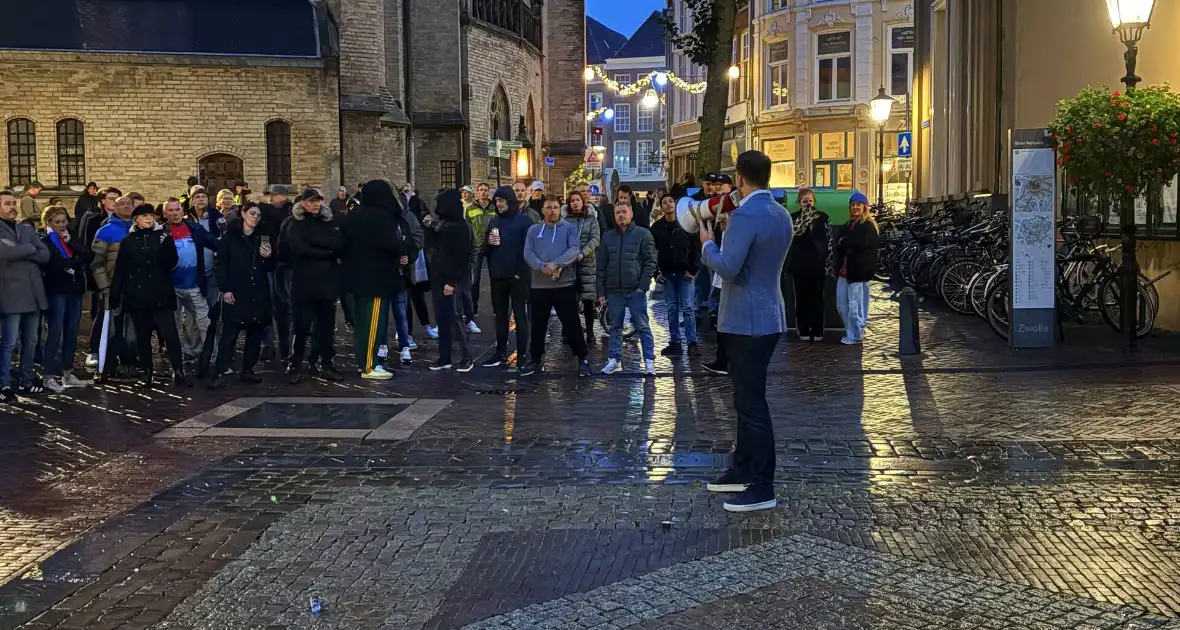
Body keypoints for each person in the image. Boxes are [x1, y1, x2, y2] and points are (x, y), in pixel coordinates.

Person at [700, 150, 792, 513]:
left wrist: (708, 244)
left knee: (751, 405)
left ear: (740, 178)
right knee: (746, 400)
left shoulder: (744, 216)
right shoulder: (781, 213)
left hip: (743, 320)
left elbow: (730, 268)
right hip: (770, 316)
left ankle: (763, 484)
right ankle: (742, 469)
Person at [340, 179, 416, 380]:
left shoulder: (354, 216)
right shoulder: (382, 217)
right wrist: (404, 246)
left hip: (356, 279)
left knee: (362, 325)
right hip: (376, 280)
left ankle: (363, 362)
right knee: (374, 324)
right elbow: (392, 245)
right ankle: (369, 365)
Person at [109, 204, 191, 388]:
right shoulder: (128, 241)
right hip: (138, 296)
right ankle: (147, 373)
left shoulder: (162, 236)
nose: (149, 219)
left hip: (160, 294)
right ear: (136, 218)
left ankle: (178, 371)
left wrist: (166, 247)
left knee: (170, 335)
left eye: (151, 216)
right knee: (143, 337)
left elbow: (172, 262)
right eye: (145, 216)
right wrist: (116, 294)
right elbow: (121, 270)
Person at [520, 194, 591, 377]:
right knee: (538, 325)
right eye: (549, 207)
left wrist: (557, 264)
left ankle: (582, 358)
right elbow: (528, 252)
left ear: (560, 209)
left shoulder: (568, 229)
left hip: (564, 285)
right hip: (539, 285)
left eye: (556, 207)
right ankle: (535, 358)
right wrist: (541, 266)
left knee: (572, 323)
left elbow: (574, 250)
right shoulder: (534, 230)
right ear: (542, 210)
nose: (552, 211)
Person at [208, 203, 276, 388]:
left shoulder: (262, 238)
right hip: (237, 290)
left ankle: (248, 369)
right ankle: (220, 370)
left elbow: (269, 267)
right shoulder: (230, 238)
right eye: (252, 213)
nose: (255, 217)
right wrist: (226, 289)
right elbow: (221, 264)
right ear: (243, 214)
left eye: (258, 215)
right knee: (230, 333)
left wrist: (269, 256)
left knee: (255, 333)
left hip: (257, 290)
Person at [284, 189, 345, 383]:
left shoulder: (328, 222)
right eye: (311, 201)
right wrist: (324, 250)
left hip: (327, 282)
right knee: (301, 326)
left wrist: (319, 247)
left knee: (325, 327)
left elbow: (339, 243)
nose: (316, 204)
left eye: (318, 200)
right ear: (303, 203)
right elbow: (298, 248)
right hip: (304, 283)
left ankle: (323, 361)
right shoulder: (295, 224)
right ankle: (294, 363)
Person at [596, 200, 657, 376]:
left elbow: (650, 262)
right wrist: (601, 292)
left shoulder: (643, 234)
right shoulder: (608, 237)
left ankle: (649, 361)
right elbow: (601, 266)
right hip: (614, 290)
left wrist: (643, 286)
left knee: (642, 326)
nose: (621, 215)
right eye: (617, 213)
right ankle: (614, 359)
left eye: (624, 212)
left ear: (631, 214)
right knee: (615, 327)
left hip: (635, 289)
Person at [0, 190, 50, 400]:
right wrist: (30, 250)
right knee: (9, 343)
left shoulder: (25, 229)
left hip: (33, 293)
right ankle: (3, 385)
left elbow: (45, 254)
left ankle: (26, 380)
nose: (12, 207)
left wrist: (22, 249)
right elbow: (5, 253)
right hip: (10, 295)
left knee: (31, 341)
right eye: (7, 203)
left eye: (14, 203)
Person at [40, 206, 93, 392]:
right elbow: (56, 263)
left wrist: (73, 244)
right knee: (55, 332)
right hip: (57, 291)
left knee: (72, 332)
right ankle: (48, 376)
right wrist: (76, 262)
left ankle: (68, 373)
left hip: (74, 289)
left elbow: (88, 255)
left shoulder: (70, 237)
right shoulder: (45, 240)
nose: (62, 226)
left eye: (64, 222)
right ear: (48, 223)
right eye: (57, 222)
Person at [481, 185, 533, 368]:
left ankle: (522, 355)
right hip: (498, 276)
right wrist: (488, 243)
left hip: (517, 277)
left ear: (509, 201)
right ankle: (500, 352)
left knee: (520, 316)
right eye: (496, 201)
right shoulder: (494, 221)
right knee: (501, 316)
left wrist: (520, 273)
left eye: (501, 201)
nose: (498, 204)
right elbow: (485, 250)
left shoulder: (524, 222)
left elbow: (528, 250)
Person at [424, 189, 474, 372]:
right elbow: (432, 246)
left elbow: (461, 257)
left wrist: (452, 282)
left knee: (455, 317)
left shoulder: (460, 227)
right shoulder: (444, 225)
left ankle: (466, 356)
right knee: (442, 318)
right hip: (438, 276)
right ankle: (444, 357)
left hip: (452, 279)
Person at [162, 198, 217, 364]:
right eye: (170, 210)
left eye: (177, 209)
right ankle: (184, 354)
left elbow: (215, 243)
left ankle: (212, 357)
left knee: (204, 322)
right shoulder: (160, 232)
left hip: (194, 285)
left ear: (182, 210)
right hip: (171, 287)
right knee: (175, 326)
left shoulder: (195, 228)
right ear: (165, 214)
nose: (175, 213)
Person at [90, 194, 137, 380]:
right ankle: (107, 366)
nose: (126, 207)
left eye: (129, 204)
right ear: (114, 208)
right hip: (112, 289)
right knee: (111, 330)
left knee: (132, 331)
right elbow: (96, 263)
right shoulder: (105, 231)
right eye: (122, 204)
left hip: (135, 289)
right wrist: (105, 286)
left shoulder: (137, 228)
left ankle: (130, 364)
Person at [651, 192, 702, 356]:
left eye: (670, 201)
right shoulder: (657, 228)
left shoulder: (687, 224)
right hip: (667, 274)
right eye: (664, 202)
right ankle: (675, 342)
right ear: (661, 206)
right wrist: (655, 273)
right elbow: (651, 251)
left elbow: (696, 249)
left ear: (675, 204)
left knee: (687, 308)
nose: (668, 204)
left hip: (685, 273)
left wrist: (693, 270)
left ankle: (692, 343)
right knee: (672, 308)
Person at [786, 187, 834, 342]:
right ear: (799, 203)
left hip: (818, 265)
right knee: (801, 299)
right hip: (799, 266)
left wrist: (828, 262)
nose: (808, 204)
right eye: (804, 201)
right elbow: (789, 239)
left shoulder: (823, 217)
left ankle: (818, 329)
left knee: (818, 299)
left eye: (810, 201)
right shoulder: (793, 218)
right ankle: (804, 329)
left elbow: (830, 240)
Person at [834, 191, 879, 345]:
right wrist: (847, 243)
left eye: (858, 205)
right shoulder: (848, 225)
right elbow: (839, 244)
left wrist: (846, 243)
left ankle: (856, 333)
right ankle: (851, 332)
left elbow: (861, 245)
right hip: (844, 271)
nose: (855, 207)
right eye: (853, 205)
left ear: (864, 207)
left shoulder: (868, 226)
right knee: (841, 304)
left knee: (855, 305)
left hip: (858, 272)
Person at [561, 191, 600, 346]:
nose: (575, 203)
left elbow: (595, 238)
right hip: (569, 264)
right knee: (568, 300)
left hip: (587, 263)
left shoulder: (591, 219)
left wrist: (583, 253)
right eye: (572, 201)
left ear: (583, 202)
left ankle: (590, 332)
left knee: (588, 300)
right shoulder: (564, 220)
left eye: (577, 200)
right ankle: (567, 331)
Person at [466, 182, 495, 319]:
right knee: (474, 279)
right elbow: (467, 228)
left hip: (493, 247)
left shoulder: (494, 208)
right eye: (481, 190)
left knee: (495, 279)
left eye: (485, 190)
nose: (483, 192)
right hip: (477, 247)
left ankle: (497, 308)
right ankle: (473, 309)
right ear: (477, 192)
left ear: (489, 192)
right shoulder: (470, 208)